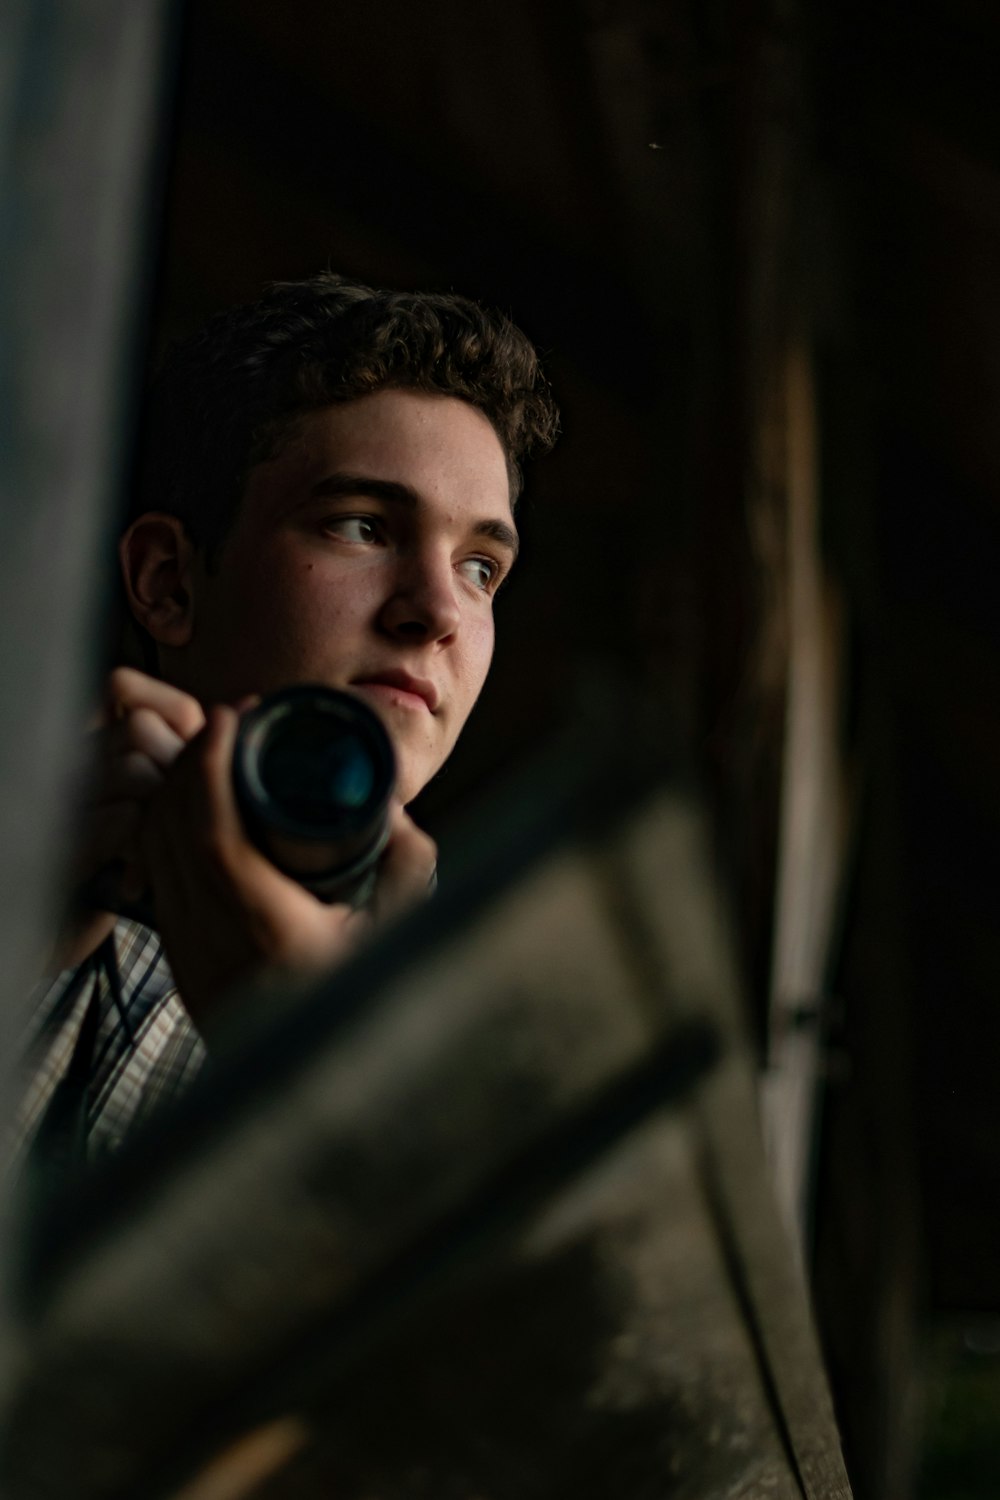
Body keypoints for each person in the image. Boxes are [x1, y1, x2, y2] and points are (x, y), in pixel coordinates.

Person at [11, 272, 559, 1173]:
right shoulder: (28, 866)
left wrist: (318, 1067)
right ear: (169, 582)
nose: (437, 611)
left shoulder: (520, 1038)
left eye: (478, 568)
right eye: (360, 526)